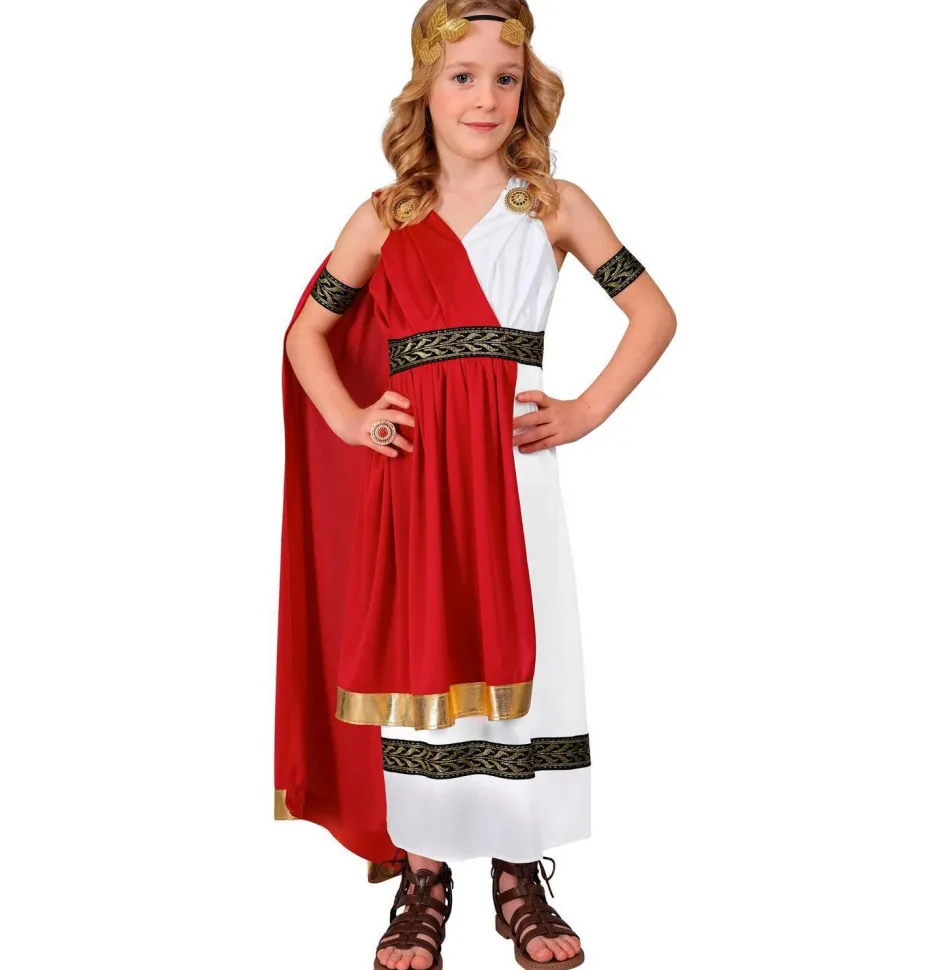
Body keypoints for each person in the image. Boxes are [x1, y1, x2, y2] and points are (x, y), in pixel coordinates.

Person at [274, 3, 676, 968]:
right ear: (425, 88)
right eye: (463, 76)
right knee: (423, 652)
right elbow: (306, 335)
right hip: (414, 482)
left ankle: (517, 874)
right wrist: (350, 418)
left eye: (505, 77)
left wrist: (583, 410)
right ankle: (423, 876)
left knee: (521, 654)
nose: (485, 97)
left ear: (528, 88)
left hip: (513, 472)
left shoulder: (554, 206)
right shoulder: (386, 216)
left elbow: (653, 315)